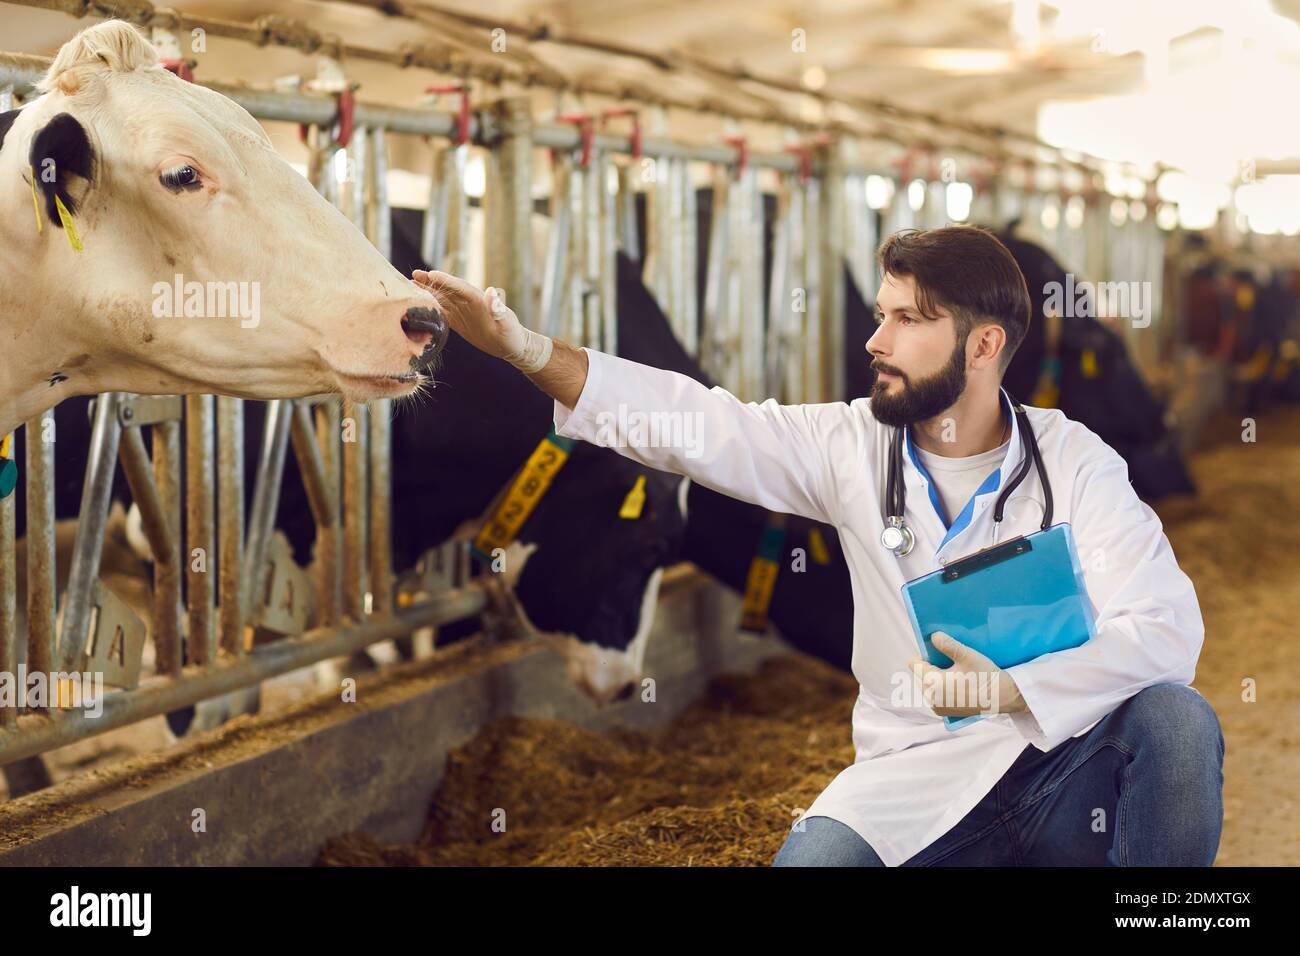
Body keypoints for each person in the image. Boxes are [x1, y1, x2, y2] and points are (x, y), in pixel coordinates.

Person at [415, 224, 1224, 867]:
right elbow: (689, 423)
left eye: (908, 320)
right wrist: (526, 351)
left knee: (1176, 721)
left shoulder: (1074, 461)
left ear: (983, 347)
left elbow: (1166, 631)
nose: (876, 341)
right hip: (912, 784)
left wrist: (1014, 690)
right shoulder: (847, 444)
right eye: (881, 315)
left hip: (1061, 771)